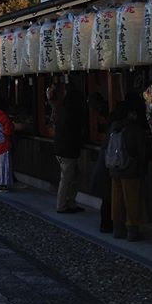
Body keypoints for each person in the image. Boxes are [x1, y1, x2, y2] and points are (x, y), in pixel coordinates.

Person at [107, 100, 148, 241]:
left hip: (114, 168)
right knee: (132, 201)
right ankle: (132, 230)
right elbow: (142, 153)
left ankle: (118, 229)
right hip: (130, 169)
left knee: (117, 200)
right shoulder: (135, 129)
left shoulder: (114, 127)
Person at [48, 80, 85, 214]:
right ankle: (62, 205)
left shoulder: (60, 108)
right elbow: (72, 132)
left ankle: (69, 202)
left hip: (62, 148)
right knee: (67, 178)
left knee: (72, 177)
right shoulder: (70, 112)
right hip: (67, 150)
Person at [88, 92, 112, 233]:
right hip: (112, 168)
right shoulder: (115, 132)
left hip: (107, 167)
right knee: (110, 198)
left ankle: (107, 224)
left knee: (107, 199)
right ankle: (110, 224)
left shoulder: (110, 134)